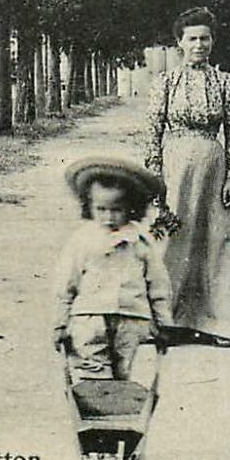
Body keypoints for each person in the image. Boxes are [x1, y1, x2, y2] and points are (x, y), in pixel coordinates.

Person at [144, 7, 230, 348]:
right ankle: (166, 324)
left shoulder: (225, 83)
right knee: (171, 241)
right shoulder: (166, 84)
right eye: (192, 39)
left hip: (212, 170)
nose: (199, 45)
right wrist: (154, 179)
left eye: (205, 38)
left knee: (215, 242)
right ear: (179, 43)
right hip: (175, 169)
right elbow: (152, 134)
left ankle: (214, 324)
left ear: (212, 42)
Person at [53, 155, 173, 380]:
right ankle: (94, 407)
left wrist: (164, 323)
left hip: (131, 317)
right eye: (101, 209)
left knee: (123, 372)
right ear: (89, 207)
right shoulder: (83, 240)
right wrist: (60, 323)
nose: (108, 217)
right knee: (93, 369)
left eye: (116, 209)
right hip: (90, 317)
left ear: (131, 208)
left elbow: (158, 284)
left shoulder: (140, 241)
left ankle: (119, 410)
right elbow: (66, 283)